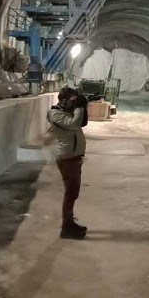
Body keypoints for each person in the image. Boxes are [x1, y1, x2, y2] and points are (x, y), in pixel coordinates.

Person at [47, 87, 89, 239]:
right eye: (73, 100)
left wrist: (83, 106)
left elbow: (82, 123)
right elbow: (74, 124)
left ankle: (70, 223)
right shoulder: (56, 114)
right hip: (67, 159)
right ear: (63, 100)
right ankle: (66, 228)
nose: (74, 103)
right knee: (70, 195)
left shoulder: (66, 112)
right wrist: (78, 107)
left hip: (74, 158)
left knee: (72, 194)